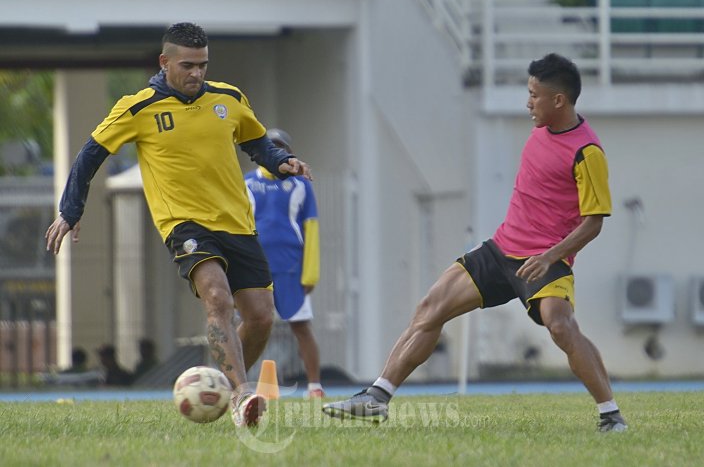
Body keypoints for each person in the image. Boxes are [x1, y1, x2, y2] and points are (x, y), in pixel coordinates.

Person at [322, 53, 628, 433]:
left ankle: (611, 415)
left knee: (561, 326)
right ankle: (376, 397)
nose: (528, 103)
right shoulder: (541, 131)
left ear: (559, 100)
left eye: (534, 95)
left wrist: (550, 256)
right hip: (500, 250)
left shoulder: (587, 152)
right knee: (430, 308)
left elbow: (594, 222)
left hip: (545, 261)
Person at [45, 23, 312, 427]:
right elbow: (90, 154)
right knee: (217, 298)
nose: (196, 73)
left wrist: (280, 161)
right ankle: (242, 395)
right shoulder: (139, 107)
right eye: (187, 65)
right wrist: (71, 209)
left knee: (260, 317)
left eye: (202, 65)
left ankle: (218, 387)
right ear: (164, 62)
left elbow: (255, 141)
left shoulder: (229, 98)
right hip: (185, 225)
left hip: (237, 222)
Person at [245, 128, 325, 398]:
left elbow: (311, 228)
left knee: (301, 326)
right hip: (255, 268)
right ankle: (236, 384)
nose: (276, 152)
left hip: (291, 267)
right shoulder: (247, 184)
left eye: (281, 147)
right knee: (248, 324)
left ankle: (315, 386)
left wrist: (310, 273)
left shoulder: (301, 185)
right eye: (271, 147)